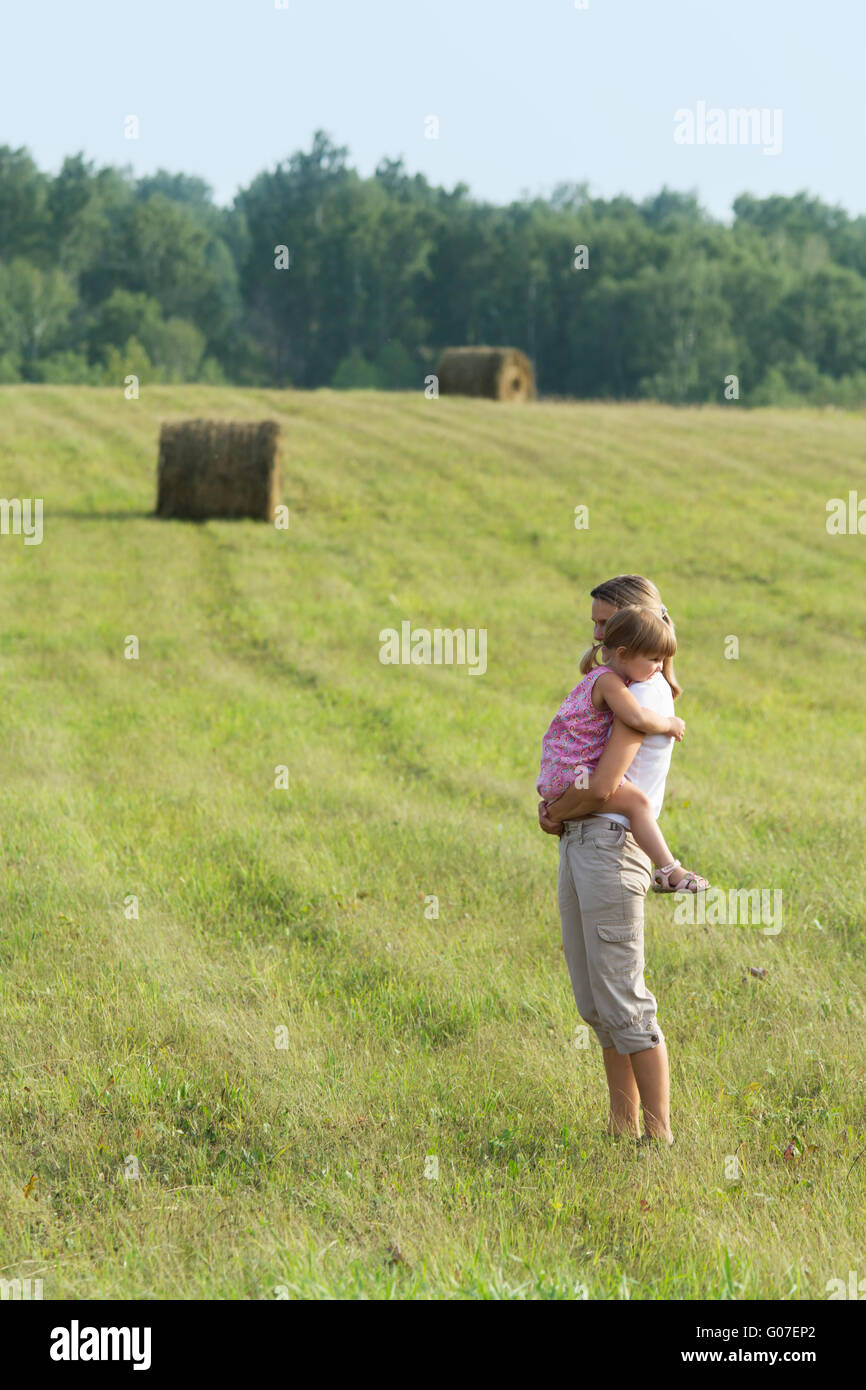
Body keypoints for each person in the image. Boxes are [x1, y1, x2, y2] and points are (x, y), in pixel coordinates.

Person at [537, 574, 696, 1145]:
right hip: (584, 841)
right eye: (596, 628)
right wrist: (561, 814)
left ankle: (658, 1139)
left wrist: (558, 808)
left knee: (625, 1000)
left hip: (608, 842)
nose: (598, 638)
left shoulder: (642, 691)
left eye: (607, 625)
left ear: (634, 629)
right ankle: (620, 1128)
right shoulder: (619, 679)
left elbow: (606, 787)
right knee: (598, 1003)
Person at [537, 604, 709, 893]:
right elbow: (636, 718)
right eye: (654, 659)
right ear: (624, 654)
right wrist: (670, 724)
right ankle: (669, 871)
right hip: (575, 774)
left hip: (562, 774)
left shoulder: (599, 678)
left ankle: (668, 870)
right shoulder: (609, 682)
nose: (658, 667)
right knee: (637, 803)